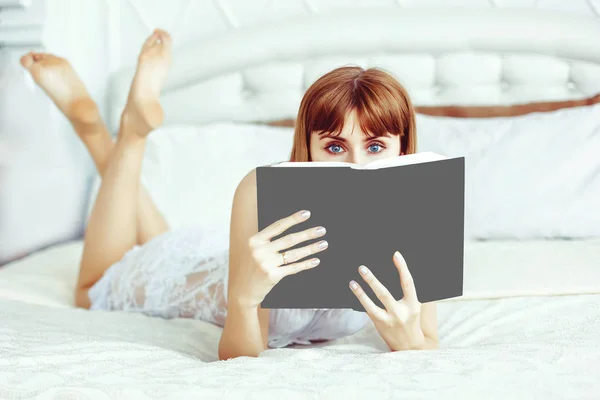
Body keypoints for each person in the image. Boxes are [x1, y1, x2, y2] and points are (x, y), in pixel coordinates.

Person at [20, 29, 438, 360]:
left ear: (403, 147)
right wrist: (244, 297)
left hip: (211, 248)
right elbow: (239, 358)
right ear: (306, 146)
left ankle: (110, 129)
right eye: (334, 146)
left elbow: (427, 340)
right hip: (184, 278)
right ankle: (106, 127)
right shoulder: (259, 190)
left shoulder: (422, 206)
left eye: (376, 146)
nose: (355, 164)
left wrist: (408, 341)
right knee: (92, 289)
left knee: (161, 237)